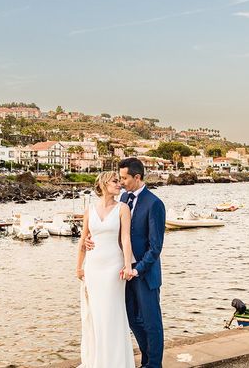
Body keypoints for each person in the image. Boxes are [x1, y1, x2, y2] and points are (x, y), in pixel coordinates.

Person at [76, 171, 136, 368]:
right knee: (96, 314)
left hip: (113, 267)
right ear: (103, 184)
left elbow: (126, 239)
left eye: (120, 181)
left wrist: (128, 265)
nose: (119, 184)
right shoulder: (89, 210)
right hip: (93, 268)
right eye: (115, 181)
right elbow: (83, 240)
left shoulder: (123, 208)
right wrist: (79, 267)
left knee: (112, 313)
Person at [116, 157, 166, 368]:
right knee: (132, 319)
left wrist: (138, 270)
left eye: (124, 178)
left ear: (137, 177)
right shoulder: (123, 198)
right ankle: (147, 359)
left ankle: (154, 365)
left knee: (151, 322)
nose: (121, 182)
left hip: (144, 274)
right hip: (125, 271)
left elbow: (155, 247)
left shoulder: (154, 203)